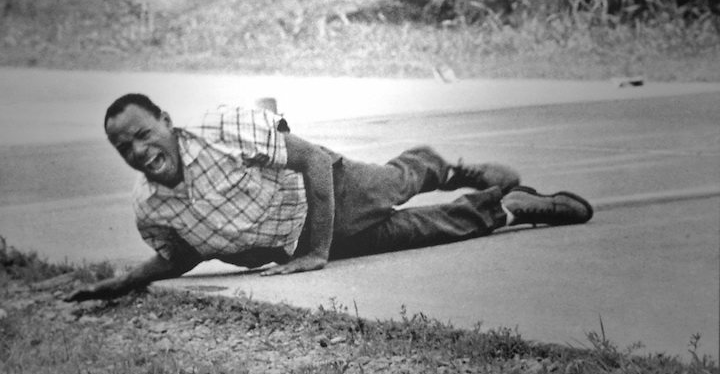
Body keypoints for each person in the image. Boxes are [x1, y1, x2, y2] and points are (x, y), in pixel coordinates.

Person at [65, 93, 593, 302]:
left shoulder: (219, 128)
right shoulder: (150, 208)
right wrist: (126, 281)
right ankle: (510, 207)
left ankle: (437, 165)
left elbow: (313, 160)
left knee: (396, 185)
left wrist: (316, 253)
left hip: (328, 192)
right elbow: (181, 254)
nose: (136, 150)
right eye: (122, 146)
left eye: (141, 133)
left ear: (165, 121)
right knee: (423, 231)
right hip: (295, 248)